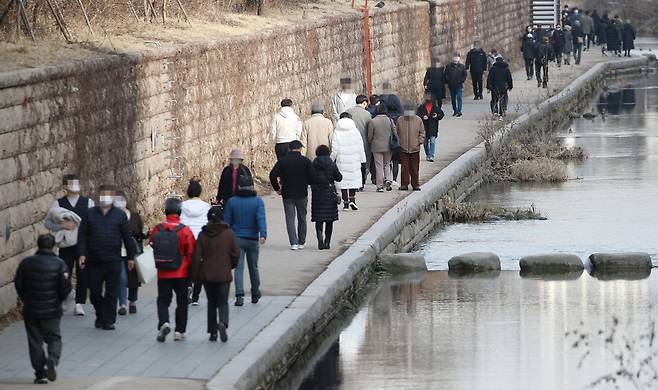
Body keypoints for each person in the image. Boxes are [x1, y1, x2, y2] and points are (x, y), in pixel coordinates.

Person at [77, 185, 136, 330]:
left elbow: (127, 237)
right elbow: (82, 235)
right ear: (98, 196)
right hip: (94, 260)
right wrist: (82, 254)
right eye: (103, 194)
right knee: (95, 291)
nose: (105, 198)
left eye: (108, 195)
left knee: (112, 291)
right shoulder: (89, 214)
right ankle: (100, 314)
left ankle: (108, 320)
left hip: (113, 259)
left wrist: (130, 257)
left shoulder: (119, 215)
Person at [14, 234, 71, 384]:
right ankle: (52, 359)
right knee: (54, 338)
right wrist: (58, 301)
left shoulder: (26, 263)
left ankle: (40, 373)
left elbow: (19, 284)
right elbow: (65, 287)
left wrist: (26, 298)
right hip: (52, 310)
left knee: (35, 341)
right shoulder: (59, 264)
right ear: (52, 246)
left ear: (38, 245)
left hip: (31, 309)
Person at [44, 174, 94, 316]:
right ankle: (65, 297)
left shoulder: (88, 202)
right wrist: (62, 225)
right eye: (71, 183)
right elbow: (47, 223)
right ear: (65, 186)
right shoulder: (58, 204)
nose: (74, 186)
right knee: (64, 273)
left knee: (82, 273)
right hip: (66, 244)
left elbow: (93, 222)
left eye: (76, 183)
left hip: (83, 244)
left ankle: (79, 303)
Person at [190, 206, 240, 342]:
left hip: (207, 275)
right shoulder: (228, 233)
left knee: (211, 303)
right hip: (224, 274)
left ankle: (212, 332)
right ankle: (223, 323)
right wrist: (231, 265)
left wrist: (195, 276)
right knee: (223, 302)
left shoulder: (202, 234)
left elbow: (196, 257)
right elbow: (236, 253)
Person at [150, 198, 196, 342]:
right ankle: (179, 331)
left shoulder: (157, 229)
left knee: (163, 300)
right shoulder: (184, 230)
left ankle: (164, 322)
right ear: (179, 212)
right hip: (181, 272)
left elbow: (153, 244)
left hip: (163, 271)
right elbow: (191, 252)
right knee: (182, 302)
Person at [224, 175, 267, 306]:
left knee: (238, 267)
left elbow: (227, 222)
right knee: (253, 267)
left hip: (236, 238)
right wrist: (263, 234)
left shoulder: (232, 201)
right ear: (251, 186)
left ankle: (239, 295)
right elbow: (260, 219)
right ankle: (255, 292)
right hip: (252, 238)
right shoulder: (257, 201)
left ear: (238, 187)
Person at [269, 140, 316, 250]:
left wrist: (277, 188)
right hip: (302, 193)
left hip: (287, 193)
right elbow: (313, 177)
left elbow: (272, 175)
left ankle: (293, 243)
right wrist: (307, 182)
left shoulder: (283, 161)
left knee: (290, 218)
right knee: (302, 218)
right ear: (300, 148)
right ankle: (301, 241)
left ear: (289, 148)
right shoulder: (305, 161)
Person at [114, 191, 147, 315]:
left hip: (132, 252)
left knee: (133, 279)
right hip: (118, 252)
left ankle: (132, 301)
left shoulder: (134, 216)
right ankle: (122, 304)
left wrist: (144, 233)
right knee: (121, 278)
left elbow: (140, 232)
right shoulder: (113, 216)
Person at [181, 179, 211, 306]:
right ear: (200, 192)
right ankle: (196, 297)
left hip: (186, 238)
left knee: (186, 266)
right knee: (200, 268)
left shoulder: (182, 206)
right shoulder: (206, 207)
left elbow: (180, 222)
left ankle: (188, 286)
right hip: (201, 239)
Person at [331, 113, 366, 210]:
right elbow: (360, 146)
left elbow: (335, 148)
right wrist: (363, 160)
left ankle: (345, 203)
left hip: (342, 159)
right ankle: (352, 199)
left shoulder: (337, 131)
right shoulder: (355, 131)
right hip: (354, 159)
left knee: (343, 181)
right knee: (352, 180)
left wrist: (331, 159)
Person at [311, 145, 342, 250]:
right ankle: (327, 241)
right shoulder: (331, 164)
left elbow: (310, 178)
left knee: (319, 219)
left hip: (317, 194)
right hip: (330, 194)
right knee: (329, 220)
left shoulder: (314, 164)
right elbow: (339, 178)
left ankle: (320, 239)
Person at [368, 104, 397, 192]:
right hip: (388, 145)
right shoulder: (390, 120)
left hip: (376, 146)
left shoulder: (373, 121)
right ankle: (388, 180)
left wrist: (370, 142)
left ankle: (380, 186)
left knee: (379, 166)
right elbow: (395, 132)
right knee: (387, 164)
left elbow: (370, 135)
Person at [346, 95, 373, 189]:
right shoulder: (367, 114)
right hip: (364, 142)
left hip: (350, 141)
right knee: (364, 163)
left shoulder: (348, 111)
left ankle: (353, 183)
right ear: (364, 103)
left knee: (352, 163)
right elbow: (369, 129)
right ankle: (362, 182)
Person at [379, 81, 403, 185]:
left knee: (385, 161)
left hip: (383, 137)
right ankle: (394, 179)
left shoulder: (381, 100)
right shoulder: (395, 99)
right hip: (395, 139)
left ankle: (385, 178)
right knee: (395, 160)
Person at [396, 104, 425, 191]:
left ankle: (415, 184)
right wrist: (399, 142)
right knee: (404, 168)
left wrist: (419, 141)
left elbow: (422, 132)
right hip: (403, 147)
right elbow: (396, 132)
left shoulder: (418, 120)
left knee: (415, 168)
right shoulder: (400, 120)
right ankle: (404, 184)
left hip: (414, 148)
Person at [416, 92, 444, 162]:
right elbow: (417, 114)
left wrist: (436, 116)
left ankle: (431, 155)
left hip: (433, 127)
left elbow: (441, 114)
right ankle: (428, 154)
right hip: (424, 127)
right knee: (425, 143)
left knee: (432, 141)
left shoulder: (435, 107)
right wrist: (422, 117)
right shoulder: (421, 108)